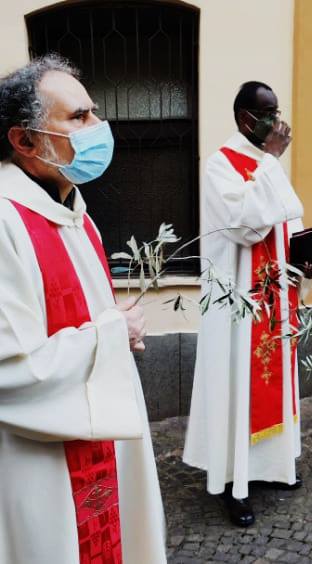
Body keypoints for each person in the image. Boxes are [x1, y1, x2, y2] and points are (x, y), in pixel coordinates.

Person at [0, 54, 166, 564]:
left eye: (94, 112)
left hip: (101, 443)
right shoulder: (6, 223)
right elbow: (10, 369)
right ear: (24, 140)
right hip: (41, 459)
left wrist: (115, 330)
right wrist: (111, 335)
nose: (99, 127)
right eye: (78, 117)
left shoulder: (74, 212)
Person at [183, 80, 312, 527]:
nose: (277, 121)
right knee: (237, 384)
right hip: (238, 302)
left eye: (277, 110)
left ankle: (272, 468)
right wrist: (272, 162)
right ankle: (231, 482)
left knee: (272, 380)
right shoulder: (220, 166)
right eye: (268, 112)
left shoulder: (265, 163)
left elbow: (287, 219)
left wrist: (304, 259)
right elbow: (245, 225)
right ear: (245, 117)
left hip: (274, 294)